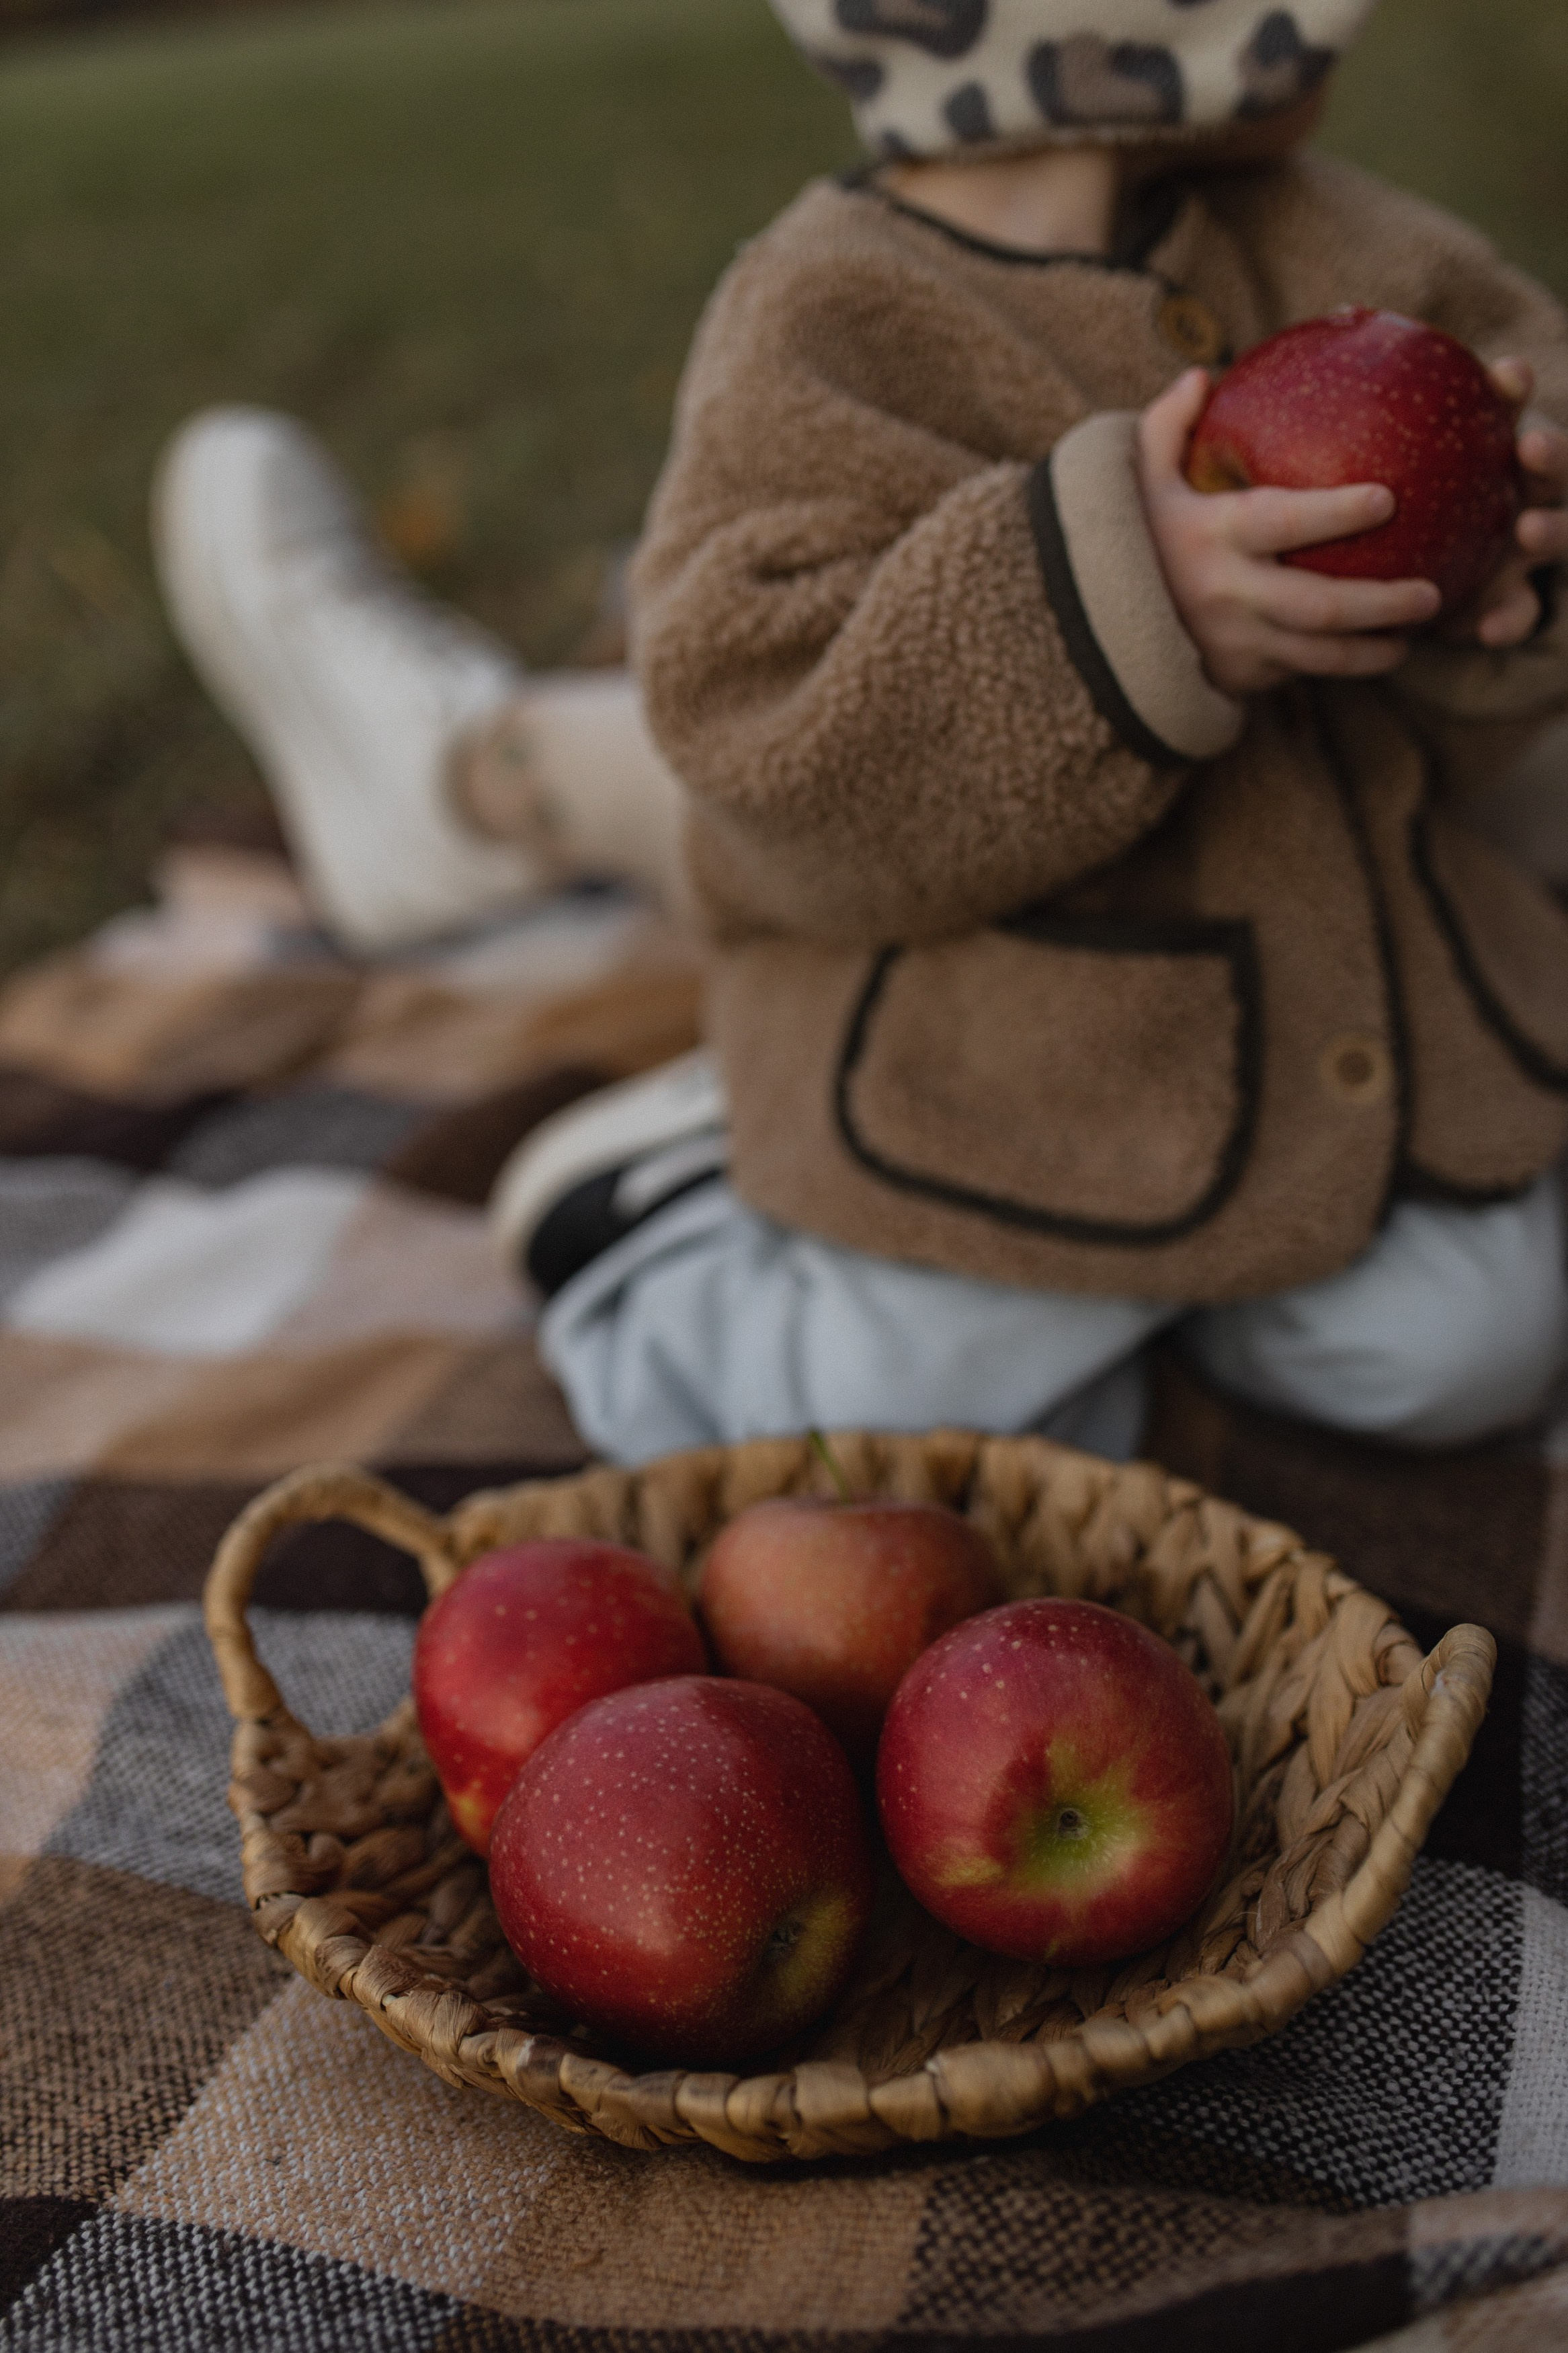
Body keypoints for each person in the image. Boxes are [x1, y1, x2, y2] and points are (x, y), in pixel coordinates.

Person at [154, 0, 1568, 1467]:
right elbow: (763, 734)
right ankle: (688, 1191)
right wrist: (1117, 604)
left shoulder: (1344, 242)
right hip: (980, 1062)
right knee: (884, 1429)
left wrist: (1515, 558)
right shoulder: (827, 316)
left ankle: (1180, 1275)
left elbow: (1535, 412)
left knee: (1468, 1349)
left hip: (1311, 1048)